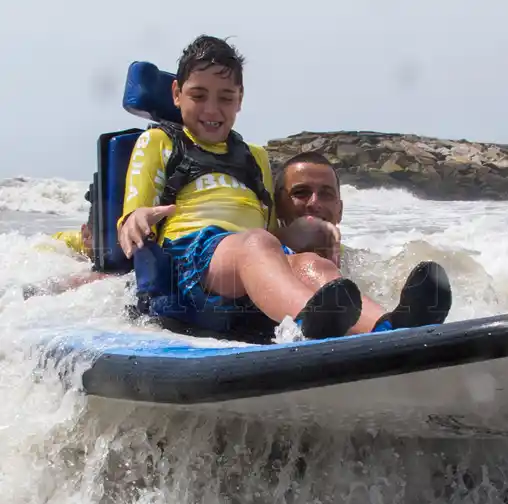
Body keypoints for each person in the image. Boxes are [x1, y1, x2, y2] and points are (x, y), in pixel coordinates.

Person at [118, 35, 451, 340]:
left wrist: (307, 232)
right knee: (256, 244)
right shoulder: (159, 142)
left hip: (250, 265)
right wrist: (136, 219)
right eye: (198, 95)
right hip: (189, 263)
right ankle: (309, 322)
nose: (212, 109)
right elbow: (130, 218)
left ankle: (389, 326)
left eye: (226, 97)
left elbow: (271, 234)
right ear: (177, 94)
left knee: (311, 264)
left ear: (240, 100)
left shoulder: (255, 157)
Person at [274, 151, 449, 334]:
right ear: (278, 206)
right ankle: (386, 329)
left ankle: (401, 324)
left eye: (326, 194)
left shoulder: (355, 260)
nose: (314, 203)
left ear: (340, 210)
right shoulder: (266, 256)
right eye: (301, 193)